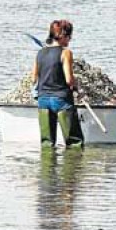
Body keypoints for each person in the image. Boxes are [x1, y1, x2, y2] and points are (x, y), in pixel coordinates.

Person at [32, 19, 84, 148]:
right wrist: (76, 86)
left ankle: (47, 167)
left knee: (46, 144)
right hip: (61, 99)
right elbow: (68, 79)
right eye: (69, 36)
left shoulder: (40, 53)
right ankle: (73, 167)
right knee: (74, 143)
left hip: (43, 100)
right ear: (63, 36)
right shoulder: (65, 52)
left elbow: (34, 78)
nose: (70, 40)